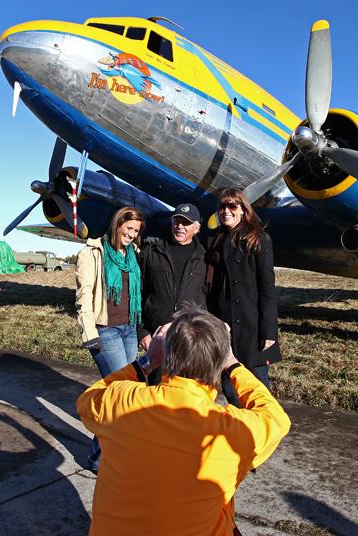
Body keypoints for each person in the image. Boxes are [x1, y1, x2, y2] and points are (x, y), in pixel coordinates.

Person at [76, 305, 291, 536]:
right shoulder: (231, 430)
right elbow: (276, 418)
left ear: (168, 357)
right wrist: (233, 365)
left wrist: (147, 361)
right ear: (219, 365)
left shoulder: (121, 400)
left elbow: (88, 400)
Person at [75, 206, 147, 472]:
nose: (131, 235)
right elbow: (84, 295)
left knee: (125, 394)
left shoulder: (132, 255)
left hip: (128, 328)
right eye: (128, 229)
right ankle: (99, 458)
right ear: (117, 225)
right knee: (119, 394)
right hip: (106, 330)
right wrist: (89, 333)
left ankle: (107, 452)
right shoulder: (94, 253)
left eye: (136, 231)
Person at [206, 188, 281, 405]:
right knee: (230, 387)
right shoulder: (217, 240)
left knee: (258, 389)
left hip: (252, 325)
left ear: (243, 209)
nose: (226, 211)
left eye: (232, 206)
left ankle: (262, 433)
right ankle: (239, 431)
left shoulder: (259, 239)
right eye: (222, 206)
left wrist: (269, 331)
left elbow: (267, 288)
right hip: (224, 325)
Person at [139, 203, 206, 384]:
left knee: (189, 397)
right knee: (154, 394)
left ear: (197, 227)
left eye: (186, 222)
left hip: (191, 341)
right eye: (177, 221)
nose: (180, 226)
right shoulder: (152, 252)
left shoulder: (205, 258)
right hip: (158, 339)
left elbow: (209, 299)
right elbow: (139, 293)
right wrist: (143, 331)